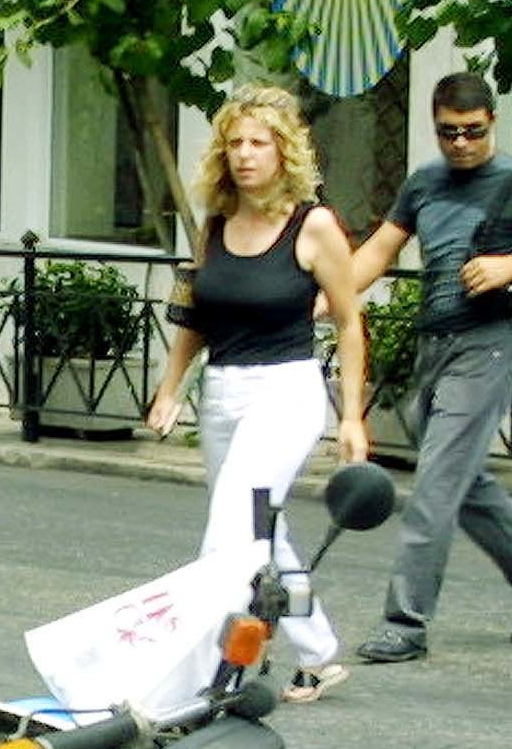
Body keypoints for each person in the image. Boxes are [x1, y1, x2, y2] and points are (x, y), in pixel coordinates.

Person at [342, 72, 512, 663]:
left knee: (435, 485)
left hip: (487, 345)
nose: (461, 144)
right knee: (463, 480)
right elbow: (379, 248)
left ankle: (406, 622)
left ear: (492, 123)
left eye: (472, 132)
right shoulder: (424, 182)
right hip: (435, 346)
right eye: (448, 133)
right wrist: (330, 297)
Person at [147, 83, 369, 704]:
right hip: (223, 392)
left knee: (228, 534)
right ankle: (319, 651)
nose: (246, 155)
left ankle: (201, 671)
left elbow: (350, 323)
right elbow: (195, 319)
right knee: (257, 531)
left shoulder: (313, 225)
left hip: (286, 389)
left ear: (284, 152)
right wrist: (171, 390)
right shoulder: (215, 225)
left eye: (259, 143)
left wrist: (352, 416)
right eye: (235, 143)